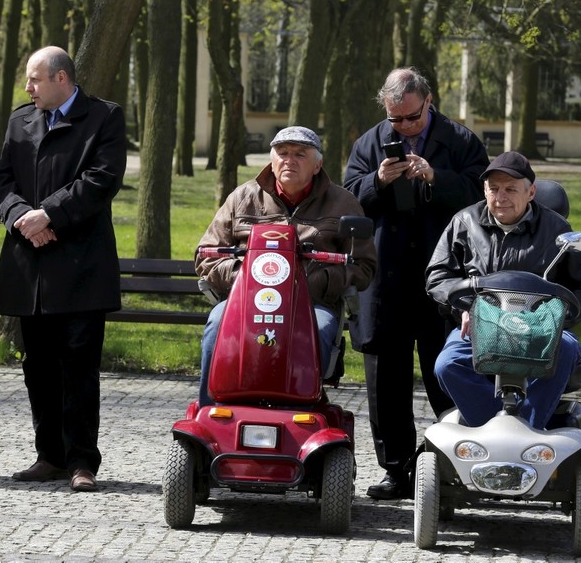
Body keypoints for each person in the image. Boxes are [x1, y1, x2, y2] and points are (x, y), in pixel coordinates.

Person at [343, 67, 488, 500]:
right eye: (395, 119)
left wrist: (435, 177)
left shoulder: (461, 141)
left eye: (411, 117)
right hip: (385, 279)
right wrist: (378, 181)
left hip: (443, 277)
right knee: (385, 380)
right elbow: (349, 199)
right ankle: (397, 471)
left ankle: (455, 469)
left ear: (429, 101)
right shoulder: (369, 143)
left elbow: (484, 198)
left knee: (447, 372)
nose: (403, 126)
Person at [0, 46, 127, 492]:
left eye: (34, 80)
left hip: (81, 266)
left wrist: (47, 215)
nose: (28, 88)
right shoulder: (19, 120)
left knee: (79, 367)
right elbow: (3, 180)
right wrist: (20, 219)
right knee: (39, 367)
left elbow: (101, 180)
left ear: (62, 79)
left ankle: (82, 462)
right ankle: (48, 456)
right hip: (31, 266)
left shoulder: (104, 118)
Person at [426, 152, 581, 429]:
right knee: (447, 364)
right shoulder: (464, 222)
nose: (501, 197)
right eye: (494, 189)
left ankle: (529, 428)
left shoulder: (557, 229)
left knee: (568, 350)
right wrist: (465, 306)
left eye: (511, 189)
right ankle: (493, 431)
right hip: (481, 327)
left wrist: (557, 315)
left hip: (540, 329)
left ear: (531, 192)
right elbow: (437, 276)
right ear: (484, 190)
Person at [196, 126, 377, 405]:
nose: (289, 160)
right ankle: (212, 410)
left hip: (312, 303)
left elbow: (364, 266)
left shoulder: (343, 203)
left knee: (318, 328)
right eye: (282, 153)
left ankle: (303, 403)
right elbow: (206, 255)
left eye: (299, 154)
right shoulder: (243, 198)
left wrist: (318, 281)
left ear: (317, 165)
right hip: (244, 303)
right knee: (218, 324)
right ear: (272, 160)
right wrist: (244, 279)